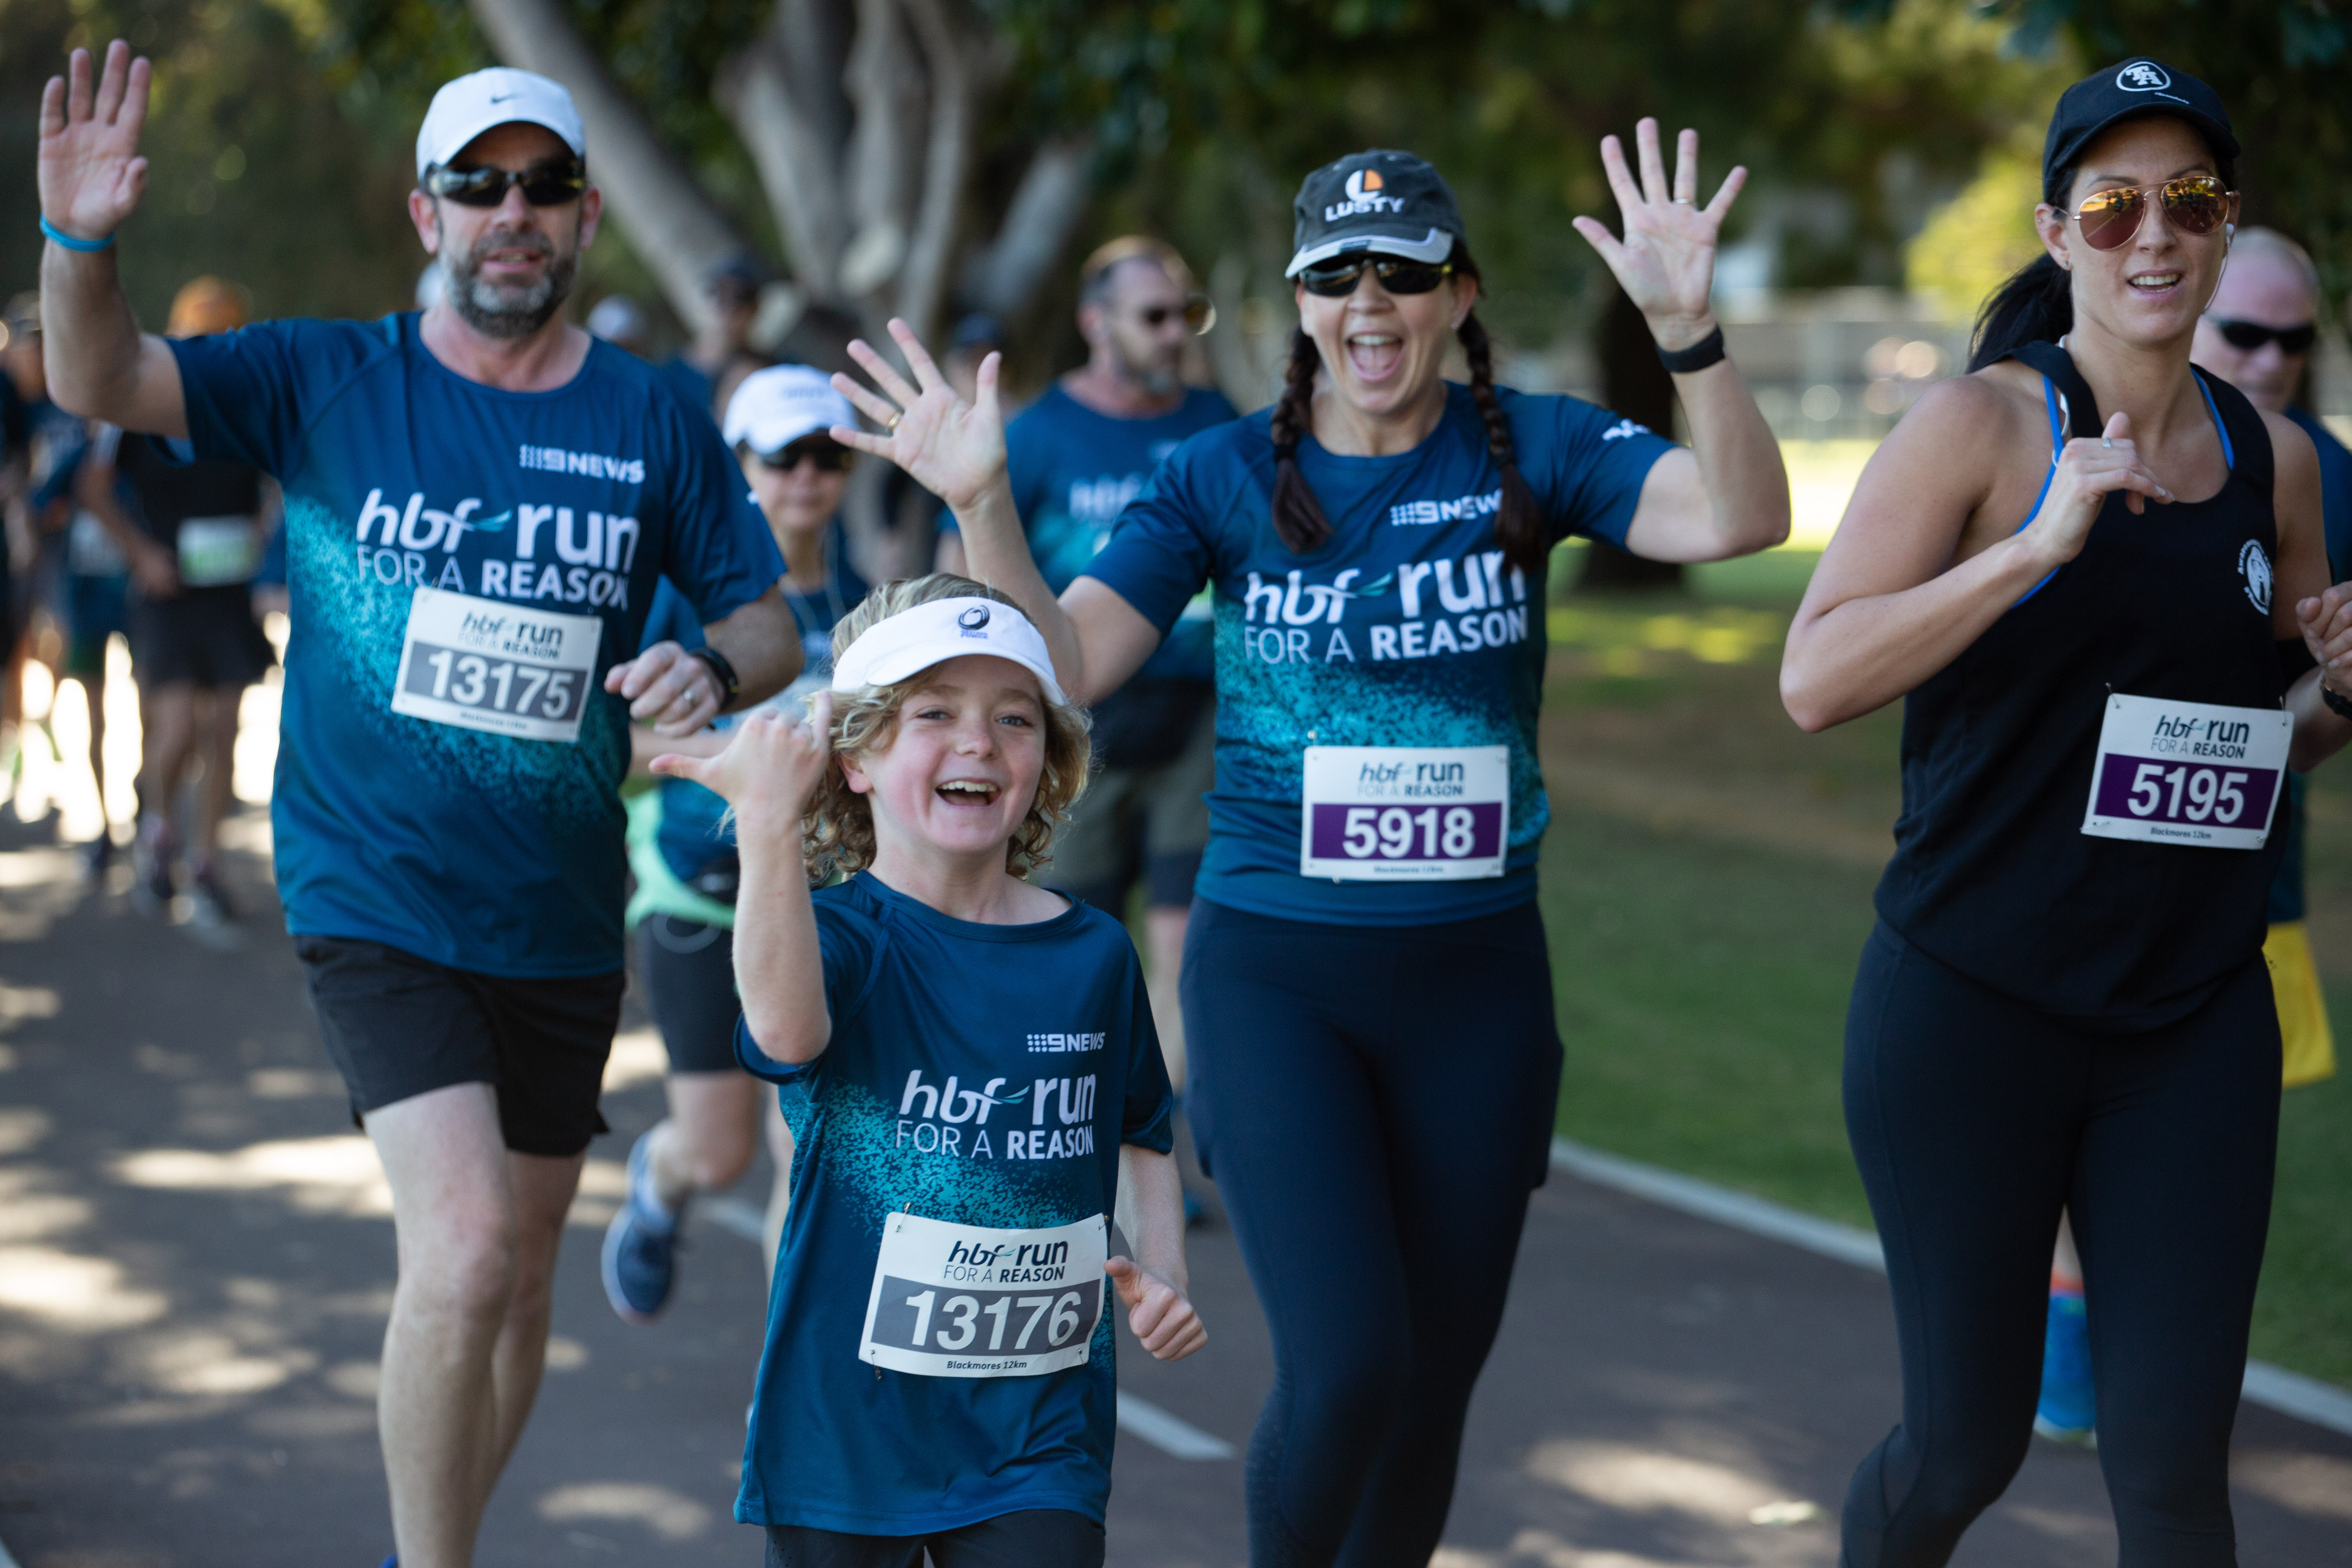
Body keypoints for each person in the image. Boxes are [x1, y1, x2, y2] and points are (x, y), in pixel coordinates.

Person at [834, 134, 1789, 1566]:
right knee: (1350, 1369)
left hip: (1479, 982)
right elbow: (1067, 665)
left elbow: (1743, 517)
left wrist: (1689, 338)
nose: (1370, 302)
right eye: (1334, 274)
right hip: (1281, 978)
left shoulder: (1537, 449)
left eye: (1403, 273)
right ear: (1297, 303)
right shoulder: (1219, 476)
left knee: (1432, 1395)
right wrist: (982, 504)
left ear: (1456, 295)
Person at [36, 47, 797, 1568]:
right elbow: (96, 377)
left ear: (584, 220)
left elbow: (766, 620)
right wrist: (79, 244)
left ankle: (434, 1536)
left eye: (544, 187)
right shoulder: (325, 374)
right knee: (456, 1260)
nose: (512, 214)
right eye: (480, 185)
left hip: (560, 906)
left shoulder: (653, 416)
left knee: (516, 1278)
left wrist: (704, 663)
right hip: (374, 893)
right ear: (425, 214)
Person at [1778, 61, 2352, 1565]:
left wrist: (2340, 698)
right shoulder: (1977, 427)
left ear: (2225, 230)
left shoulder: (2271, 465)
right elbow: (1813, 676)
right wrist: (2028, 549)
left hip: (2186, 1024)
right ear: (2053, 232)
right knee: (1960, 1448)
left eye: (2188, 204)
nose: (2149, 238)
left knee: (2172, 1476)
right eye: (2109, 207)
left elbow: (2254, 753)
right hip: (1970, 1009)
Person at [653, 575, 1205, 1564]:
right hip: (845, 1431)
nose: (977, 743)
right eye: (932, 714)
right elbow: (782, 1031)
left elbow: (1141, 1130)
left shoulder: (1091, 954)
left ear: (1048, 758)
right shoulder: (840, 938)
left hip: (1040, 1429)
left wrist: (1161, 1268)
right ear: (856, 756)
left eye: (1013, 718)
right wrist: (771, 822)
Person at [2029, 221, 2352, 1449]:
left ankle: (2156, 1350)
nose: (2268, 359)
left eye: (2293, 339)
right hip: (2059, 896)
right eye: (2246, 333)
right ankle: (2071, 1334)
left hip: (2241, 884)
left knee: (2195, 1157)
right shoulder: (2052, 435)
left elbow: (2311, 694)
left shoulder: (2315, 471)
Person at [603, 364, 870, 1321]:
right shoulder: (684, 596)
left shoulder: (868, 598)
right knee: (716, 1153)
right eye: (781, 455)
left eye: (827, 453)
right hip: (697, 888)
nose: (807, 475)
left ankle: (787, 1387)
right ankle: (658, 1181)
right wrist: (733, 755)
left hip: (824, 899)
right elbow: (611, 746)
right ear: (738, 465)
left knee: (806, 1151)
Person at [942, 237, 1232, 1104]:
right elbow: (970, 567)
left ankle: (1134, 1143)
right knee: (1077, 953)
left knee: (1188, 946)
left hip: (1202, 718)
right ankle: (1065, 1138)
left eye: (1185, 314)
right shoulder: (1039, 436)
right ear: (1094, 323)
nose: (1174, 333)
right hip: (1080, 723)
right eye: (1153, 317)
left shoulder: (1216, 423)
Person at [77, 275, 279, 929]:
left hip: (227, 596)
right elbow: (95, 487)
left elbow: (284, 482)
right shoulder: (138, 410)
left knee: (225, 728)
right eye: (199, 339)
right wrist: (141, 554)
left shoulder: (256, 412)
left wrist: (260, 532)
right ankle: (158, 826)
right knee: (176, 729)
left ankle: (205, 861)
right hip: (165, 594)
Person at [661, 256, 762, 418]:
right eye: (717, 293)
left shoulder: (772, 368)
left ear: (756, 308)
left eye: (738, 297)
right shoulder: (667, 376)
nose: (725, 306)